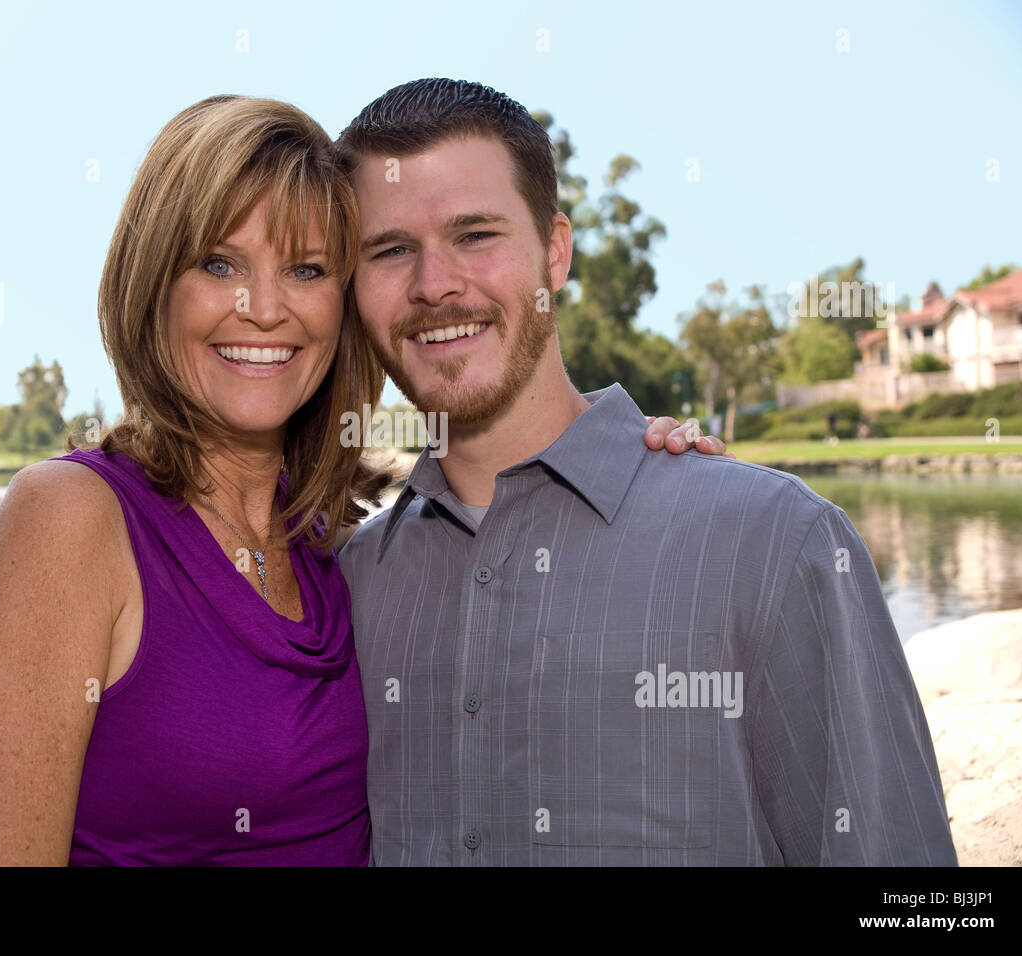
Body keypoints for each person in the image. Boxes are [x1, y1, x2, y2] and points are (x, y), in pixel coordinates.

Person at [0, 94, 726, 866]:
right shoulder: (66, 523)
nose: (265, 309)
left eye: (307, 270)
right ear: (151, 284)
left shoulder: (341, 551)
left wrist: (644, 467)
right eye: (218, 262)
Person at [335, 78, 957, 866]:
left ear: (555, 251)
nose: (434, 284)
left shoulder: (773, 542)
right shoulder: (354, 584)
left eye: (476, 235)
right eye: (391, 250)